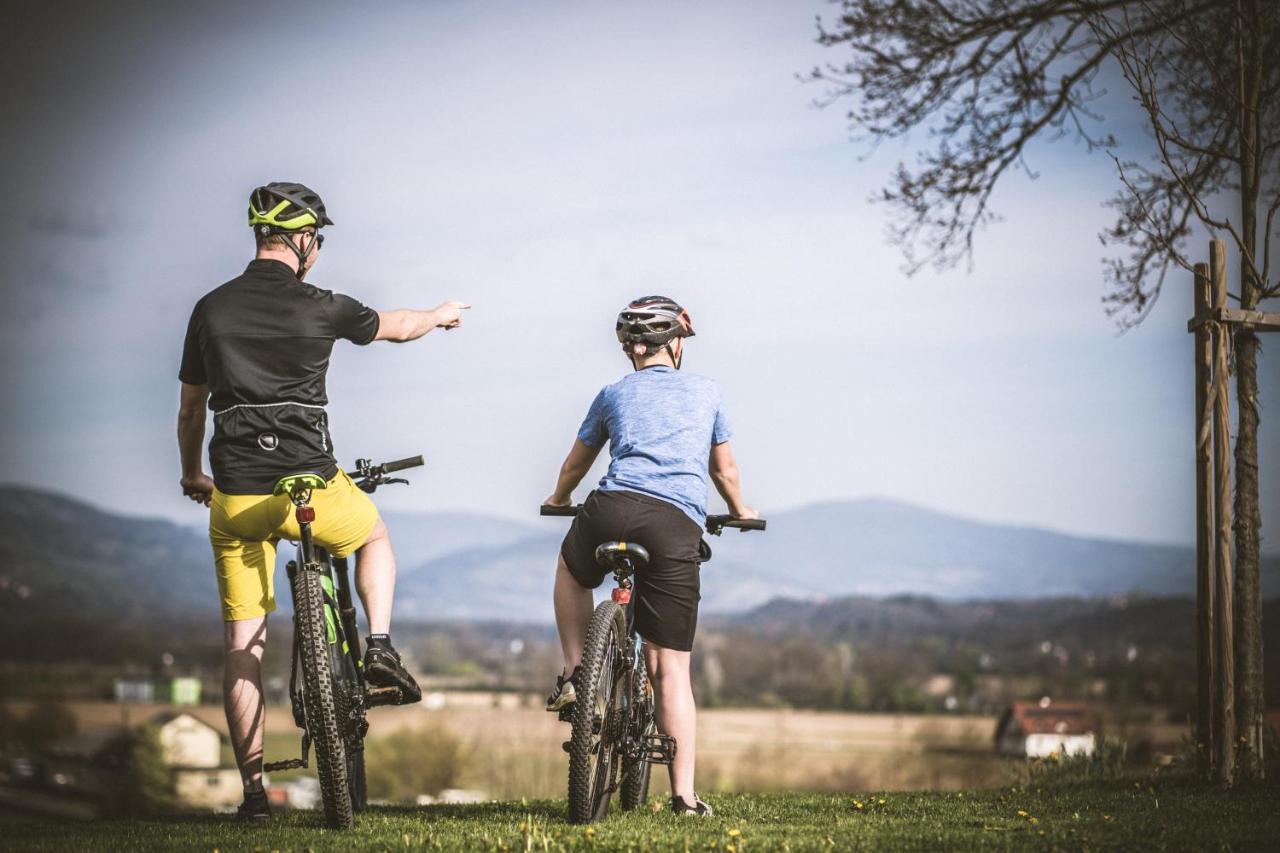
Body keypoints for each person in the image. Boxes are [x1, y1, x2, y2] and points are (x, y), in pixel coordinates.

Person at [176, 181, 469, 821]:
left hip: (237, 495)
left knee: (241, 647)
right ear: (304, 239)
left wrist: (191, 474)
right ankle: (382, 647)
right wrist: (441, 314)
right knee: (372, 537)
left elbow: (192, 407)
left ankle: (254, 796)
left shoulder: (210, 310)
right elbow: (398, 327)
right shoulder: (321, 305)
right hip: (310, 483)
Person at [542, 295, 757, 817]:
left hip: (609, 508)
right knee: (670, 668)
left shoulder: (611, 393)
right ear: (676, 342)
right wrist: (740, 509)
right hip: (672, 523)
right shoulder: (707, 392)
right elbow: (723, 471)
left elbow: (577, 462)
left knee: (572, 571)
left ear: (631, 349)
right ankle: (683, 797)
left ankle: (575, 674)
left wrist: (558, 500)